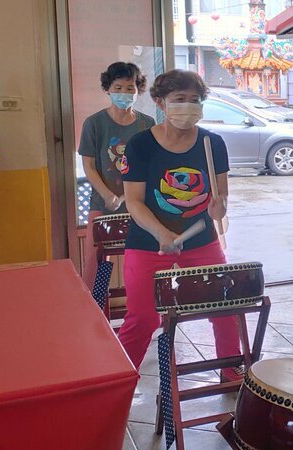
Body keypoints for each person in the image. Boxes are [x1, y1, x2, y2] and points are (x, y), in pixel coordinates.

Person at [118, 69, 242, 381]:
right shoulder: (140, 145)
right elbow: (133, 201)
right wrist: (161, 233)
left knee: (224, 307)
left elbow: (221, 198)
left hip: (202, 244)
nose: (188, 106)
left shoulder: (213, 144)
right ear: (160, 102)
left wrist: (220, 207)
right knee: (143, 318)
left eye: (195, 100)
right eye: (179, 100)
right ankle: (118, 379)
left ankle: (230, 369)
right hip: (148, 244)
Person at [78, 61, 155, 288]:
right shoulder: (94, 123)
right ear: (108, 89)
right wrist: (107, 195)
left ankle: (142, 307)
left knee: (143, 258)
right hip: (102, 205)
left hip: (140, 206)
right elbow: (89, 166)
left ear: (138, 90)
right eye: (118, 88)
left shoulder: (147, 124)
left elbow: (150, 165)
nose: (124, 93)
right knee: (96, 261)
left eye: (130, 88)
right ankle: (95, 308)